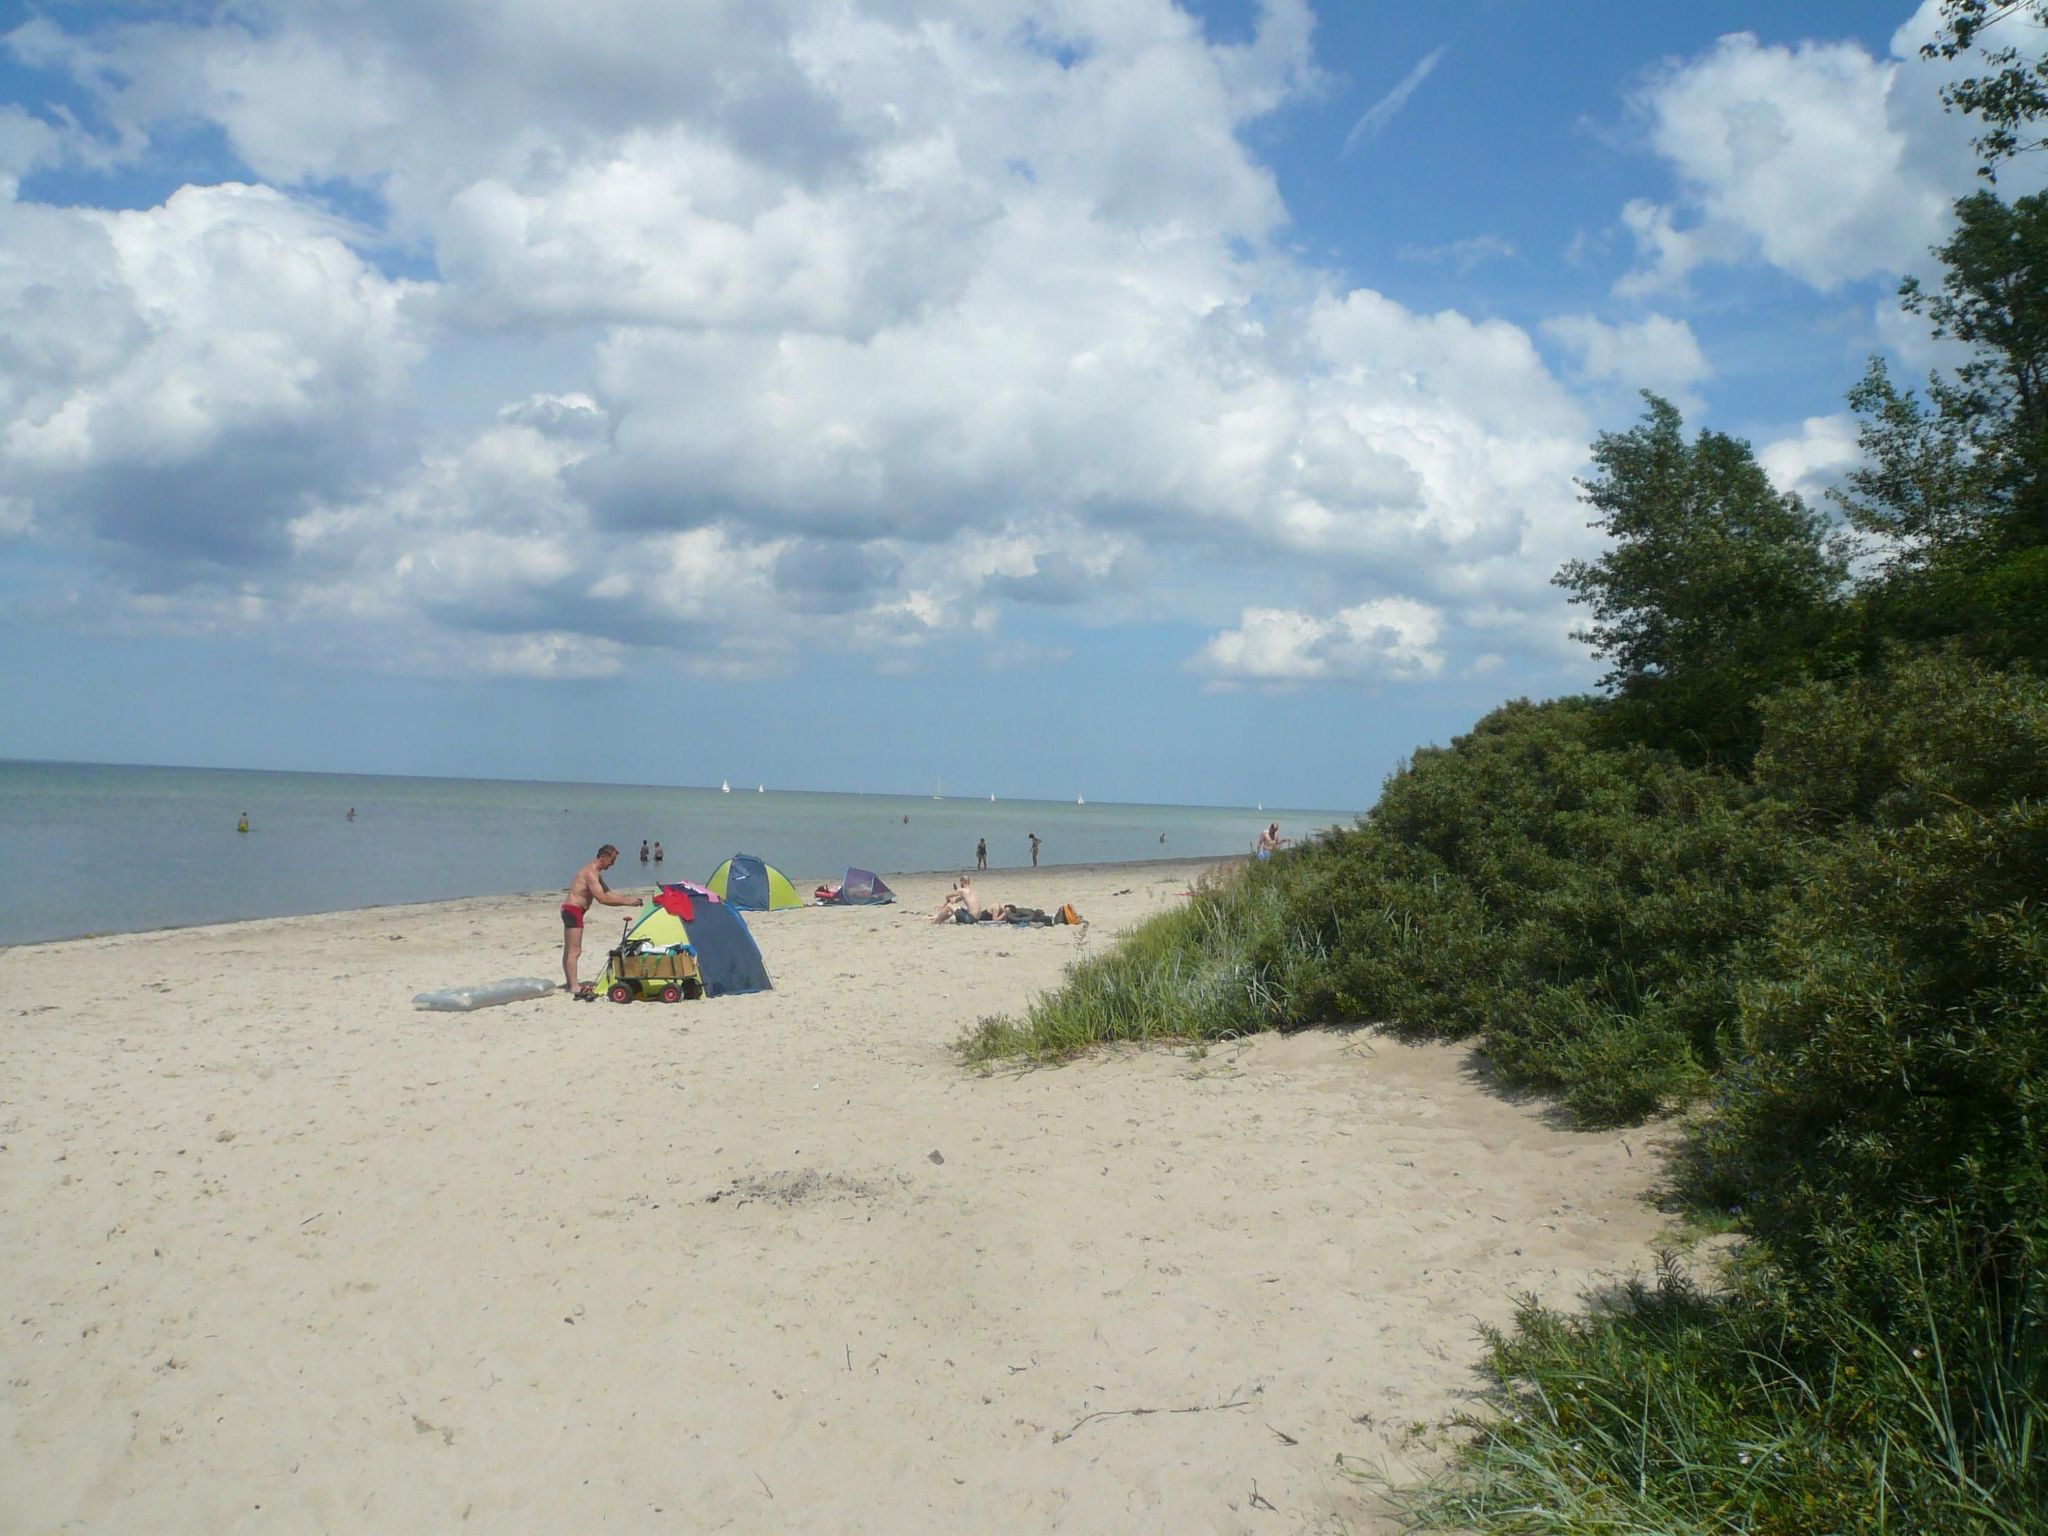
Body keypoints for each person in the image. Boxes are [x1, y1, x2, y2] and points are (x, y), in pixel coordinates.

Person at [561, 844, 643, 995]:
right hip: (573, 911)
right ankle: (573, 986)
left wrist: (630, 900)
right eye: (611, 860)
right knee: (575, 951)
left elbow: (608, 892)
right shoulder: (590, 873)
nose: (613, 864)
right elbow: (602, 898)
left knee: (570, 950)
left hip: (572, 910)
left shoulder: (596, 873)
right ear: (603, 857)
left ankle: (570, 983)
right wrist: (627, 902)